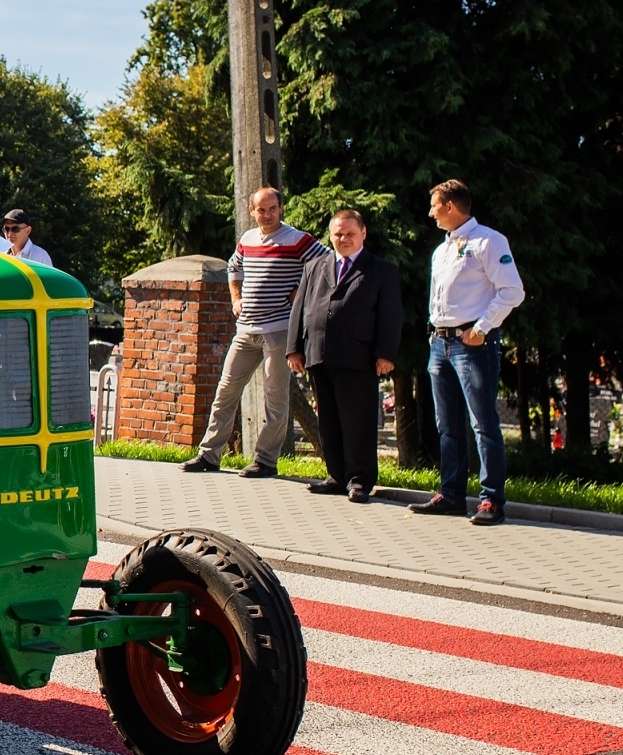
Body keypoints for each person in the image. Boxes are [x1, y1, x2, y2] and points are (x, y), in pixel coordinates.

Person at [182, 187, 328, 477]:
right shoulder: (247, 239)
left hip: (280, 328)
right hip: (246, 328)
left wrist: (302, 290)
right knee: (226, 391)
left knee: (275, 397)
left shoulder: (298, 240)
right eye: (261, 210)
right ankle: (209, 455)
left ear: (281, 208)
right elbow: (233, 268)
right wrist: (235, 298)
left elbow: (328, 264)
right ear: (252, 211)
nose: (268, 214)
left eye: (272, 208)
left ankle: (265, 461)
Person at [408, 180, 525, 526]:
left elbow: (512, 291)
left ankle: (491, 501)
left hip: (473, 345)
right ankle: (452, 494)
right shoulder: (441, 250)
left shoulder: (488, 241)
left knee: (483, 423)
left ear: (452, 206)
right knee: (447, 424)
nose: (430, 212)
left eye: (435, 205)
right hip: (440, 345)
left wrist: (482, 328)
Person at [287, 209, 403, 503]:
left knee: (357, 420)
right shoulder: (315, 266)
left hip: (358, 357)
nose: (344, 239)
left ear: (363, 233)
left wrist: (385, 354)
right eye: (338, 234)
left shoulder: (380, 270)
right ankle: (337, 476)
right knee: (328, 420)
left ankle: (359, 480)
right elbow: (300, 309)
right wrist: (294, 348)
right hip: (319, 354)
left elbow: (390, 316)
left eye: (350, 233)